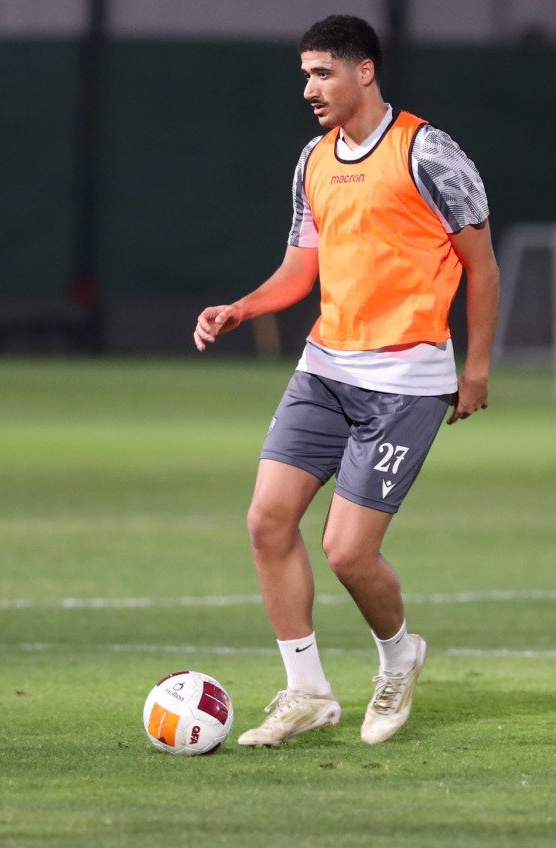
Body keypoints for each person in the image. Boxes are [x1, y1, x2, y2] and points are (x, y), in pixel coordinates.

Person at [193, 14, 499, 747]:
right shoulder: (313, 161)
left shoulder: (429, 153)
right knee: (268, 521)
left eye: (322, 72)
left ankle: (400, 656)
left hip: (406, 381)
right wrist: (244, 307)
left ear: (365, 71)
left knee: (348, 553)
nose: (309, 88)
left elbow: (481, 267)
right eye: (305, 74)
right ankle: (308, 693)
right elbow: (302, 268)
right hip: (325, 368)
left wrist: (478, 367)